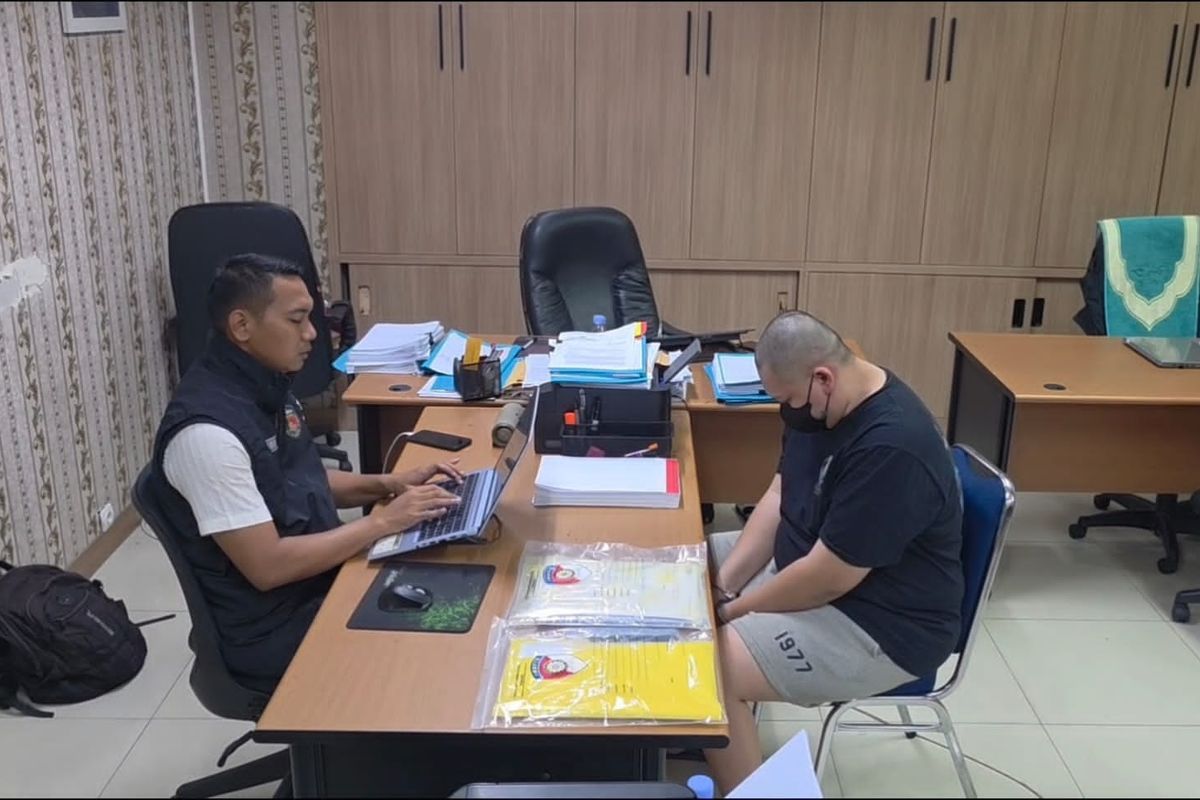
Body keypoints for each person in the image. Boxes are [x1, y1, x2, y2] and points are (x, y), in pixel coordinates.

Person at [149, 254, 463, 692]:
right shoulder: (207, 434)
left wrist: (389, 484)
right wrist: (382, 523)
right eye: (296, 320)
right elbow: (268, 565)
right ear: (242, 326)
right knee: (446, 645)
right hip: (274, 625)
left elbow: (297, 478)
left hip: (315, 583)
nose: (313, 333)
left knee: (457, 584)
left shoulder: (263, 385)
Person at [703, 311, 963, 793]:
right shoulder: (820, 404)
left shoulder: (892, 447)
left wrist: (733, 611)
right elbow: (780, 495)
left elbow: (829, 578)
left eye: (788, 400)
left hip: (879, 621)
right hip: (809, 565)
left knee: (710, 668)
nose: (787, 412)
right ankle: (690, 733)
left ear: (822, 377)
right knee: (686, 565)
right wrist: (725, 582)